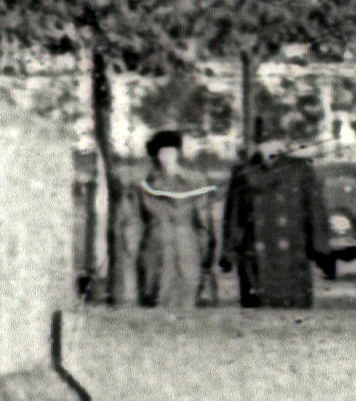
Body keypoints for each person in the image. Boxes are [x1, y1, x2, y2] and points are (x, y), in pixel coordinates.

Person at [221, 135, 336, 309]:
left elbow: (314, 211)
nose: (270, 148)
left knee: (292, 309)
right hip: (255, 255)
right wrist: (230, 251)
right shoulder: (243, 172)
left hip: (292, 253)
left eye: (275, 142)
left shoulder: (300, 170)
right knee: (258, 311)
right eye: (264, 143)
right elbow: (235, 215)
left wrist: (322, 251)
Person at [124, 129, 222, 308]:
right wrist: (135, 251)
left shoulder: (196, 182)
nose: (166, 157)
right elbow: (135, 221)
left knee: (187, 302)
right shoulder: (146, 185)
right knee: (155, 303)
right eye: (162, 152)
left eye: (171, 151)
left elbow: (204, 226)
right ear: (155, 156)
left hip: (187, 252)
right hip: (155, 252)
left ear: (178, 153)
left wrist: (206, 258)